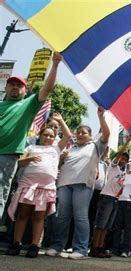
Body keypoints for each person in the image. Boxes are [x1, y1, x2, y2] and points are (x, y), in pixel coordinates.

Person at [0, 52, 61, 221]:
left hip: (5, 157)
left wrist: (55, 65)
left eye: (19, 86)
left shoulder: (28, 105)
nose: (14, 87)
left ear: (25, 91)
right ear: (5, 88)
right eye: (11, 84)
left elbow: (47, 88)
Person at [46, 107, 109, 259]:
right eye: (78, 132)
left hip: (83, 185)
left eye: (84, 133)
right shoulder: (70, 148)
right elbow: (60, 166)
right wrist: (62, 158)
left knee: (80, 216)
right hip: (64, 184)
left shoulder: (96, 146)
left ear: (90, 136)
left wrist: (101, 117)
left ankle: (80, 249)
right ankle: (57, 246)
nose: (80, 134)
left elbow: (106, 134)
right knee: (62, 216)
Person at [5, 115, 71, 258]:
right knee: (23, 214)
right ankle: (16, 243)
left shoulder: (56, 149)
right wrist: (30, 158)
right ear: (40, 135)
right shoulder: (31, 147)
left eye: (52, 136)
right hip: (28, 185)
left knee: (39, 216)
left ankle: (35, 245)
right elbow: (20, 162)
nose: (49, 137)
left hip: (45, 187)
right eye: (46, 134)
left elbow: (68, 135)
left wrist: (60, 121)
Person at [89, 137, 131, 258]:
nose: (122, 160)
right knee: (100, 224)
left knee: (107, 226)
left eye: (125, 160)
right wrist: (127, 142)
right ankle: (94, 247)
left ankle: (100, 247)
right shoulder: (113, 167)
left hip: (115, 199)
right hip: (106, 197)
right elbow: (118, 155)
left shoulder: (124, 173)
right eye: (122, 158)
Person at [111, 144, 131, 258]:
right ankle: (114, 249)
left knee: (128, 228)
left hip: (130, 203)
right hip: (119, 202)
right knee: (117, 226)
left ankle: (126, 250)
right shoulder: (122, 174)